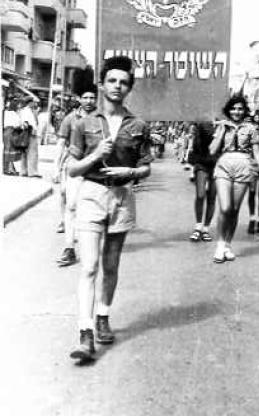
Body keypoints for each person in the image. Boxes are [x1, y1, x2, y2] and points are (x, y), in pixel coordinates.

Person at [68, 56, 152, 362]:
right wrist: (95, 157)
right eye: (112, 81)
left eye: (124, 82)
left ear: (129, 88)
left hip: (121, 196)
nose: (117, 86)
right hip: (91, 193)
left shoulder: (138, 125)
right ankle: (85, 331)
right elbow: (73, 169)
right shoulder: (83, 123)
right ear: (102, 85)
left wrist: (129, 173)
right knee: (89, 265)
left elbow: (145, 168)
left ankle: (103, 314)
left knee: (111, 265)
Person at [209, 95, 259, 263]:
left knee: (235, 210)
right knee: (225, 207)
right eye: (234, 108)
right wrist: (221, 132)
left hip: (244, 165)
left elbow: (257, 151)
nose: (237, 111)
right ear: (229, 110)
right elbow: (212, 150)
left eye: (240, 109)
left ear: (245, 111)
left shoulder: (251, 128)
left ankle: (228, 245)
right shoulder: (222, 126)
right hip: (224, 165)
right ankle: (220, 245)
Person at [54, 84, 98, 266]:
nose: (89, 101)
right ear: (79, 99)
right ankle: (69, 248)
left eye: (92, 98)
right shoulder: (70, 118)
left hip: (96, 170)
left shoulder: (101, 119)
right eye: (85, 97)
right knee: (71, 205)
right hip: (75, 167)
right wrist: (57, 167)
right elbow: (61, 143)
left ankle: (92, 245)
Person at [188, 121, 217, 242]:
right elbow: (193, 152)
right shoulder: (198, 132)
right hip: (202, 165)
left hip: (217, 165)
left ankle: (206, 228)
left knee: (211, 197)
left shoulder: (221, 129)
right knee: (200, 195)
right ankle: (198, 226)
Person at [20, 97, 41, 177]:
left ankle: (24, 171)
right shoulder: (26, 111)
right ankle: (32, 172)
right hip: (30, 134)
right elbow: (25, 123)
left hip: (28, 133)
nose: (35, 104)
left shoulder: (30, 111)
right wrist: (31, 129)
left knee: (25, 153)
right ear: (30, 102)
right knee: (33, 153)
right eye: (33, 102)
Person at [3, 99, 22, 175]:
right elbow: (18, 124)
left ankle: (8, 168)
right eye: (18, 105)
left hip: (5, 132)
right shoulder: (14, 114)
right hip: (12, 132)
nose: (19, 107)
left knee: (6, 151)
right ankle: (9, 169)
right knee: (10, 151)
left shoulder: (6, 113)